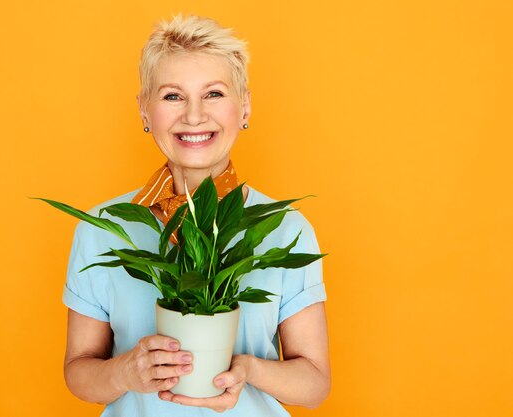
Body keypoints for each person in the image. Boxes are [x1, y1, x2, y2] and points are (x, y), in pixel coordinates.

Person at [62, 14, 330, 416]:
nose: (193, 115)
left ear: (245, 106)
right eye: (172, 96)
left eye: (214, 94)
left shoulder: (284, 228)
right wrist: (127, 372)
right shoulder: (103, 228)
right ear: (144, 111)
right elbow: (78, 370)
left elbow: (314, 385)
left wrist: (248, 369)